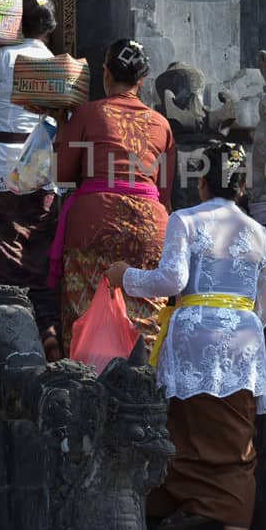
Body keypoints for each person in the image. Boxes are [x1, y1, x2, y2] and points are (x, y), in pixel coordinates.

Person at [107, 141, 266, 530]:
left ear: (201, 183)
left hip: (192, 336)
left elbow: (172, 281)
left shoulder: (185, 219)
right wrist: (240, 329)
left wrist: (125, 277)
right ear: (242, 187)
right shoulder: (259, 233)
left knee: (177, 431)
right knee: (238, 447)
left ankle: (168, 515)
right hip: (243, 341)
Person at [51, 38, 175, 351]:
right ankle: (144, 384)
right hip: (149, 228)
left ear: (106, 73)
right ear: (142, 81)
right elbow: (164, 192)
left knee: (86, 320)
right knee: (144, 324)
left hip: (94, 225)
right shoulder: (162, 124)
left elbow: (62, 175)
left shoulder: (88, 114)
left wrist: (61, 126)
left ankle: (86, 386)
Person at [0, 0, 60, 358]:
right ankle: (46, 329)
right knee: (36, 251)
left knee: (0, 253)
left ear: (18, 25)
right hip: (40, 160)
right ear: (50, 29)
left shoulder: (3, 57)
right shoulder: (57, 65)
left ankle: (7, 337)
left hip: (2, 160)